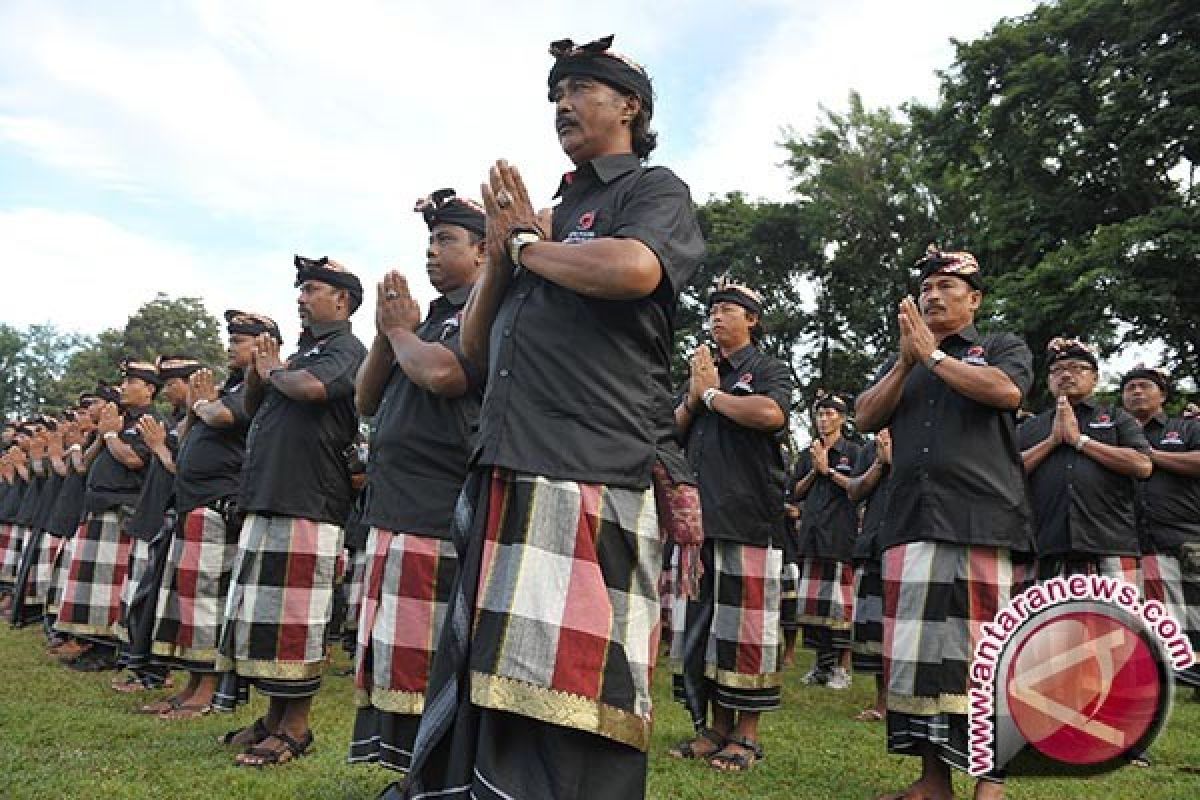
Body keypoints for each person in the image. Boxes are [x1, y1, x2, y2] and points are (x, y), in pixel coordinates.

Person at [400, 34, 704, 800]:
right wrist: (502, 255)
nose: (563, 105)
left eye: (580, 89)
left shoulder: (651, 189)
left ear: (629, 105)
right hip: (510, 455)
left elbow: (634, 268)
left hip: (587, 462)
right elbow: (471, 352)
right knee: (498, 669)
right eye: (554, 96)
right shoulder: (552, 214)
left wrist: (531, 243)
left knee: (573, 680)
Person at [856, 246, 1036, 800]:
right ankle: (933, 781)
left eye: (946, 287)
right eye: (926, 287)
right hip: (911, 521)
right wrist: (910, 361)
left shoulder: (1000, 347)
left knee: (984, 658)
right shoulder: (907, 358)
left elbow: (1007, 392)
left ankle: (992, 784)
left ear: (974, 299)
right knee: (917, 659)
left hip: (981, 521)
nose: (932, 295)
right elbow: (865, 415)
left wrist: (933, 358)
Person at [348, 189, 485, 775]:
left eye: (446, 239)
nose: (431, 251)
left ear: (483, 254)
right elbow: (365, 397)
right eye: (429, 240)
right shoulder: (424, 317)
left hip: (441, 498)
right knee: (393, 642)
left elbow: (445, 375)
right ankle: (401, 766)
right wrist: (390, 330)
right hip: (396, 501)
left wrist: (403, 336)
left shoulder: (484, 309)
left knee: (430, 647)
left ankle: (431, 771)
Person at [216, 257, 366, 767]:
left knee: (298, 620)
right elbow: (259, 406)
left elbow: (312, 390)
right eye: (300, 289)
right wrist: (263, 372)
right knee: (268, 618)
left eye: (313, 289)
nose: (301, 297)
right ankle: (273, 719)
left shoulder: (346, 350)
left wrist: (275, 368)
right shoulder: (302, 352)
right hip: (271, 495)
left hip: (310, 501)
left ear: (342, 300)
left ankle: (296, 728)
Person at [669, 278, 792, 772]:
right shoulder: (705, 372)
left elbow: (772, 414)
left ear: (752, 319)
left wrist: (715, 397)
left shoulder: (767, 368)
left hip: (748, 517)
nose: (717, 316)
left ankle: (746, 735)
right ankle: (714, 728)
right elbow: (672, 430)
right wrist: (695, 398)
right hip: (701, 519)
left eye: (728, 309)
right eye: (713, 308)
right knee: (706, 631)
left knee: (745, 631)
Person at [149, 313, 280, 720]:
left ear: (264, 344)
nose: (230, 347)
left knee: (207, 597)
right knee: (187, 597)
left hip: (217, 502)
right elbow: (188, 434)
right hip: (191, 501)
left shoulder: (258, 385)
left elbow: (224, 418)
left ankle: (206, 690)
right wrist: (195, 406)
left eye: (240, 340)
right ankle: (190, 683)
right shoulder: (226, 388)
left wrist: (203, 403)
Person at [55, 360, 162, 672]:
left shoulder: (148, 422)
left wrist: (112, 436)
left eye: (131, 382)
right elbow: (85, 464)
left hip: (122, 510)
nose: (123, 387)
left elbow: (133, 461)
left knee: (112, 585)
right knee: (95, 585)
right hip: (99, 507)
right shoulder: (119, 421)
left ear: (149, 390)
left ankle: (108, 649)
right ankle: (93, 644)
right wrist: (103, 436)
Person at [1019, 338, 1152, 585]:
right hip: (1048, 546)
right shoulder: (1031, 426)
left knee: (1120, 622)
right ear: (1048, 380)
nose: (1066, 375)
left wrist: (1080, 441)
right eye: (1057, 370)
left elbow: (1143, 465)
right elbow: (1008, 473)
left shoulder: (1116, 418)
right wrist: (1052, 442)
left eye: (1076, 368)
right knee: (1052, 623)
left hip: (1111, 542)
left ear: (1095, 378)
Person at [1121, 365, 1200, 689]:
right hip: (1137, 538)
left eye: (1144, 386)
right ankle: (1172, 675)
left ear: (1162, 395)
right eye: (1130, 387)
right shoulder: (1116, 431)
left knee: (1196, 606)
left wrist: (1149, 456)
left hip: (1186, 532)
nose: (1137, 392)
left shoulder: (1186, 428)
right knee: (1158, 611)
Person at [792, 392, 861, 690]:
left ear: (843, 419)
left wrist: (829, 471)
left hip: (840, 537)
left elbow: (858, 488)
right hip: (812, 536)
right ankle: (821, 666)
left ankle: (842, 669)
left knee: (840, 610)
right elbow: (795, 491)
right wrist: (814, 470)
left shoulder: (855, 452)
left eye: (831, 414)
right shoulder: (809, 452)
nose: (824, 419)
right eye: (820, 414)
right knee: (813, 609)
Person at [845, 428, 892, 721]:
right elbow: (854, 491)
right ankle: (882, 702)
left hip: (914, 537)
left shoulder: (929, 438)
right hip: (875, 542)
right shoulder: (869, 448)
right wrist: (880, 463)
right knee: (876, 628)